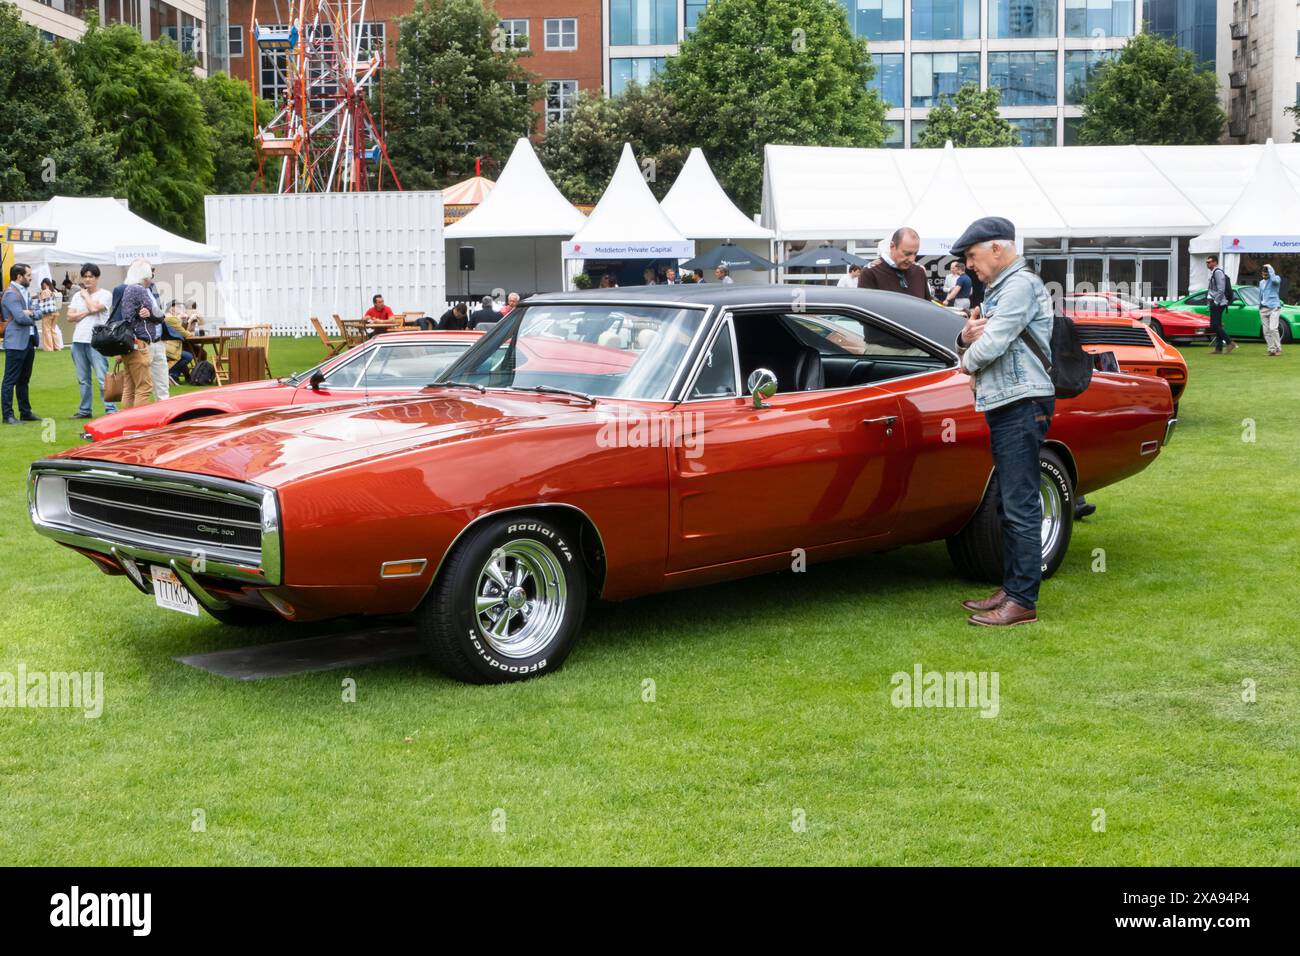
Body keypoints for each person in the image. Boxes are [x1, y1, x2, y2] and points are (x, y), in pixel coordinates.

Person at [950, 217, 1055, 628]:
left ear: (997, 249)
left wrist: (964, 361)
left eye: (972, 256)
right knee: (1011, 502)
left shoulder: (1019, 286)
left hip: (1021, 402)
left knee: (1020, 503)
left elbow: (992, 342)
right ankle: (1012, 590)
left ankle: (1022, 601)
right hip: (1011, 401)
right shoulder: (1001, 287)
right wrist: (965, 339)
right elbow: (975, 334)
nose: (969, 266)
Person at [66, 263, 116, 419]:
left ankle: (110, 409)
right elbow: (69, 317)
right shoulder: (76, 296)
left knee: (102, 377)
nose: (87, 279)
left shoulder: (105, 294)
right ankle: (85, 410)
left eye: (91, 276)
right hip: (78, 340)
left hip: (97, 340)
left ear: (97, 278)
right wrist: (88, 311)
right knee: (83, 379)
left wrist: (86, 297)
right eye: (85, 276)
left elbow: (95, 309)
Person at [118, 259, 162, 409]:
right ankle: (138, 424)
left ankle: (126, 422)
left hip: (129, 343)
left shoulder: (127, 289)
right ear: (145, 276)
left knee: (129, 387)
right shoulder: (140, 290)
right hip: (140, 343)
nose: (150, 280)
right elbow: (157, 315)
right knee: (144, 387)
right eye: (149, 276)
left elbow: (127, 316)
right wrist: (150, 313)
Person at [1, 263, 40, 424]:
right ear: (19, 276)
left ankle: (25, 412)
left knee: (24, 379)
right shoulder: (11, 294)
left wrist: (30, 313)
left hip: (28, 340)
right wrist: (31, 314)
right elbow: (20, 318)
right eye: (29, 275)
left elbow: (36, 312)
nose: (31, 278)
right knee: (10, 380)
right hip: (16, 342)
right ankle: (8, 415)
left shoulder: (24, 292)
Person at [858, 227, 930, 300]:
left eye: (915, 253)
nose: (912, 259)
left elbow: (927, 307)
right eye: (907, 254)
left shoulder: (919, 271)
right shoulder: (871, 272)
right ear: (892, 246)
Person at [1205, 255, 1238, 354]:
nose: (1208, 264)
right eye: (1207, 262)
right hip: (1217, 301)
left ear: (1215, 262)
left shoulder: (1218, 272)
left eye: (1210, 262)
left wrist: (1216, 302)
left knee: (1214, 325)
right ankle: (1218, 348)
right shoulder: (1213, 272)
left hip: (1218, 302)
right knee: (1217, 325)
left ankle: (1229, 342)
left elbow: (1221, 289)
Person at [163, 301, 193, 384]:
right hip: (170, 348)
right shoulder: (171, 318)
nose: (180, 309)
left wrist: (185, 320)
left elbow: (181, 330)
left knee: (187, 355)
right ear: (172, 308)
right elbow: (185, 333)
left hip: (170, 346)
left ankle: (181, 376)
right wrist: (189, 321)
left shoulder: (170, 317)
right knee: (188, 356)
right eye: (178, 307)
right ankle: (172, 374)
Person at [1258, 263, 1283, 356]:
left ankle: (1278, 348)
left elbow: (1274, 280)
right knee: (1266, 331)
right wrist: (1259, 306)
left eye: (1266, 274)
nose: (1264, 276)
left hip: (1274, 307)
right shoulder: (1261, 282)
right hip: (1263, 308)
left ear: (1270, 273)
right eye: (1263, 274)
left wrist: (1270, 268)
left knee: (1273, 328)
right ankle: (1271, 350)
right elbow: (1260, 295)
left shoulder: (1276, 279)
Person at [36, 278, 61, 351]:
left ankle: (49, 348)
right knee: (53, 330)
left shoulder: (45, 291)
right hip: (55, 312)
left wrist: (39, 296)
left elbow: (41, 300)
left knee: (46, 330)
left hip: (48, 313)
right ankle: (57, 347)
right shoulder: (54, 291)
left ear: (44, 284)